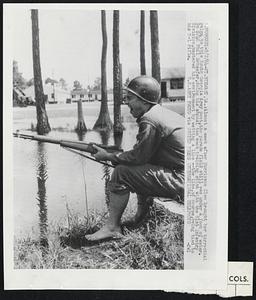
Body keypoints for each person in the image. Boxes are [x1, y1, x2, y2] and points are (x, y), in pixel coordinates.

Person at [85, 75, 185, 242]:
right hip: (188, 178)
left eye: (130, 98)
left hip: (182, 179)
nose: (126, 102)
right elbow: (144, 156)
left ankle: (112, 227)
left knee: (122, 173)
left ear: (144, 100)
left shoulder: (150, 119)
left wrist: (108, 155)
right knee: (140, 168)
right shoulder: (158, 113)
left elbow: (138, 157)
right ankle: (140, 217)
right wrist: (118, 155)